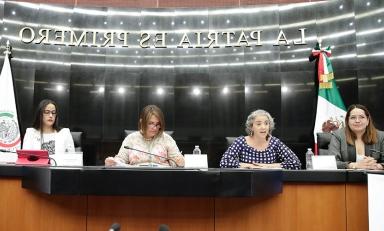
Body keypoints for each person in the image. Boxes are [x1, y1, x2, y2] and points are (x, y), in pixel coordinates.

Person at [105, 105, 184, 167]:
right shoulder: (131, 138)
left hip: (162, 178)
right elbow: (121, 160)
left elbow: (175, 162)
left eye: (158, 124)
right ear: (142, 122)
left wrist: (179, 162)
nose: (155, 128)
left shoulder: (167, 139)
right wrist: (113, 162)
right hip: (135, 178)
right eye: (151, 123)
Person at [220, 109, 301, 169]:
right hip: (246, 183)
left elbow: (296, 163)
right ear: (251, 127)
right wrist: (250, 166)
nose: (263, 127)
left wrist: (268, 167)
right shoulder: (241, 142)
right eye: (258, 124)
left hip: (270, 183)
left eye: (266, 123)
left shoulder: (274, 142)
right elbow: (224, 162)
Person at [328, 104, 384, 169]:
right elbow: (332, 162)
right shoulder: (338, 135)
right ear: (347, 121)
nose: (357, 121)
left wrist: (376, 166)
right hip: (346, 177)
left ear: (368, 121)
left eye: (361, 117)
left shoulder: (381, 136)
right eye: (353, 117)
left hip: (373, 177)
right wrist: (354, 165)